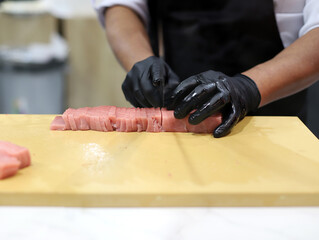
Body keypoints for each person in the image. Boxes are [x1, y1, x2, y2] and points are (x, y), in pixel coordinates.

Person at [92, 0, 319, 137]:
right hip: (181, 112)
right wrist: (142, 63)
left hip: (276, 112)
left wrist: (247, 87)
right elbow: (121, 6)